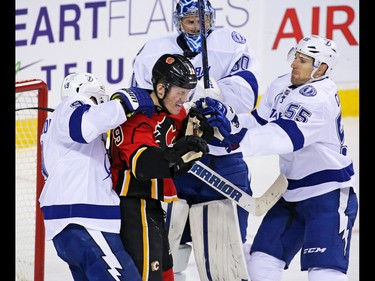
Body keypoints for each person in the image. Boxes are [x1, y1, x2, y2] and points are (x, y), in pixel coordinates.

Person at [195, 35, 358, 281]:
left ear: (321, 68)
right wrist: (229, 120)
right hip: (291, 192)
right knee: (260, 264)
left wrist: (234, 138)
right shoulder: (282, 85)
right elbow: (260, 121)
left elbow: (282, 136)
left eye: (303, 60)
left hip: (328, 195)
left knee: (324, 274)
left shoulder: (319, 98)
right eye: (296, 57)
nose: (294, 64)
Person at [130, 1, 259, 279]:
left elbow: (247, 93)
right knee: (168, 244)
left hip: (224, 159)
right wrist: (192, 96)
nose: (198, 26)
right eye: (190, 21)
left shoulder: (231, 43)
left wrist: (215, 98)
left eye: (203, 20)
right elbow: (143, 102)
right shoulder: (154, 51)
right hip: (178, 159)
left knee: (229, 248)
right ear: (178, 21)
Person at [39, 72, 155, 281]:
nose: (97, 104)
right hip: (85, 222)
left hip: (69, 228)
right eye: (96, 100)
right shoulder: (71, 105)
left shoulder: (53, 128)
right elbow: (83, 125)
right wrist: (124, 105)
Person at [109, 54, 210, 281]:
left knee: (165, 274)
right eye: (180, 92)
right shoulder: (136, 117)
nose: (184, 99)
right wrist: (179, 153)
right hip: (133, 208)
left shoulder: (170, 111)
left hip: (151, 207)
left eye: (187, 93)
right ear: (162, 88)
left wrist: (202, 130)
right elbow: (143, 165)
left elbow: (185, 128)